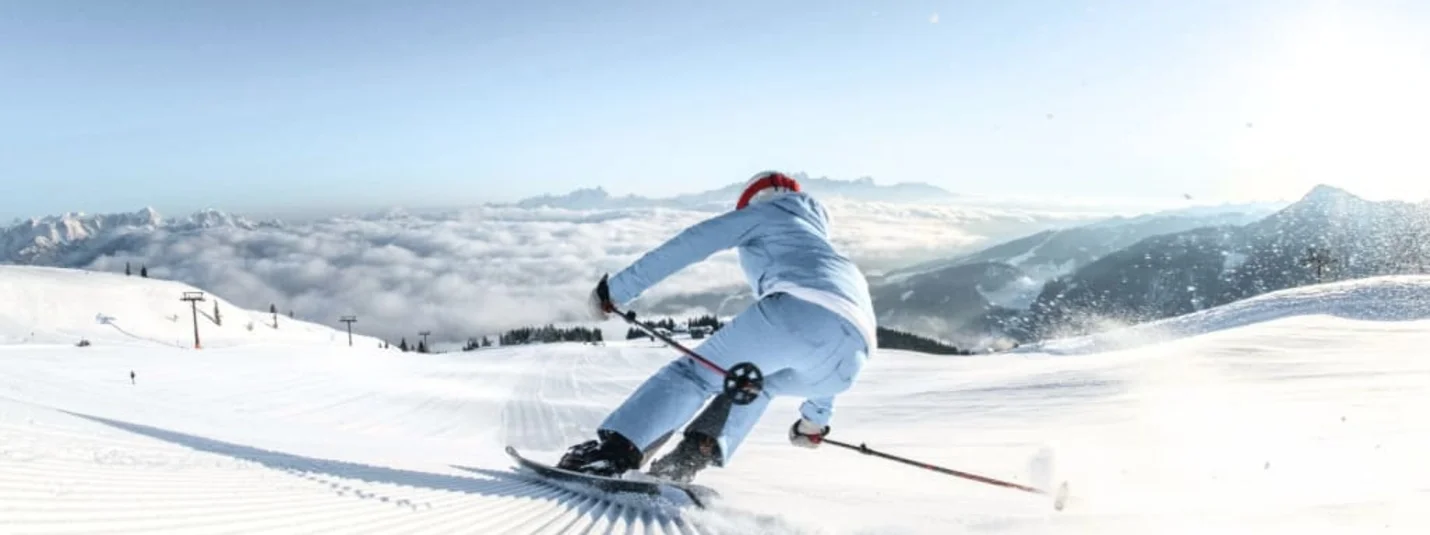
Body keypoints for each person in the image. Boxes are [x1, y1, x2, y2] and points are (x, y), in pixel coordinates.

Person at [558, 171, 877, 483]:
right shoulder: (832, 257)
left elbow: (692, 243)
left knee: (693, 375)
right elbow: (834, 329)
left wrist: (616, 291)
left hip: (795, 313)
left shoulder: (767, 213)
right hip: (850, 361)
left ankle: (614, 454)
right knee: (753, 383)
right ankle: (688, 459)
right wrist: (814, 422)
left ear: (754, 199)